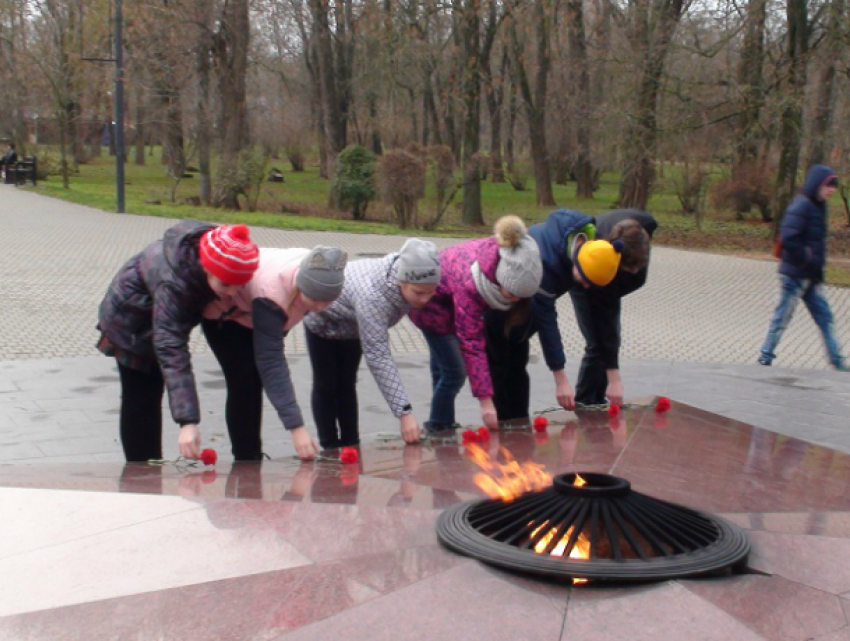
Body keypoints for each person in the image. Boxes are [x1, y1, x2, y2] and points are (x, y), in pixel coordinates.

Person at [97, 221, 260, 462]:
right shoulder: (176, 283)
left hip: (159, 314)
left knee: (152, 391)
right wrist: (188, 421)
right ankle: (143, 475)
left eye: (240, 285)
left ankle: (148, 468)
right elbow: (171, 347)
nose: (232, 293)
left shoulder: (217, 246)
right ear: (207, 268)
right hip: (131, 321)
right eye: (225, 284)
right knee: (142, 396)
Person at [484, 209, 650, 421]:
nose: (586, 287)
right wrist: (560, 379)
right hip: (497, 305)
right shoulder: (547, 264)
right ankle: (504, 430)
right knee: (500, 366)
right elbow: (547, 324)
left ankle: (518, 427)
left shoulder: (588, 245)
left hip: (523, 307)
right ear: (578, 263)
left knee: (517, 362)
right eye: (586, 280)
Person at [201, 245, 347, 461]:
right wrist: (296, 428)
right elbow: (271, 362)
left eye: (328, 301)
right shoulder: (273, 293)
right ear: (300, 285)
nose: (320, 307)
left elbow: (280, 329)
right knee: (246, 381)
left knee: (257, 377)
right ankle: (247, 461)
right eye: (314, 299)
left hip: (256, 311)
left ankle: (250, 454)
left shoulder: (318, 271)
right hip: (225, 315)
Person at [303, 238, 441, 450]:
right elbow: (378, 355)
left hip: (353, 326)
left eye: (430, 292)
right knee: (326, 385)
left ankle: (351, 444)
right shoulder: (374, 296)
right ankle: (329, 449)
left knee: (347, 384)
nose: (424, 299)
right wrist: (404, 413)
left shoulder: (413, 279)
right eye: (419, 293)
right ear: (401, 281)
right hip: (323, 319)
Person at [410, 215, 543, 433]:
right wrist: (486, 403)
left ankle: (444, 422)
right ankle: (438, 426)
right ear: (501, 279)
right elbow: (471, 342)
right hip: (430, 307)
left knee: (443, 368)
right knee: (454, 372)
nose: (515, 300)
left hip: (449, 301)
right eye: (512, 293)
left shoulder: (507, 256)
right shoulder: (471, 283)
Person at [758, 165, 847, 370]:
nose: (832, 190)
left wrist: (816, 269)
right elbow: (789, 237)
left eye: (834, 186)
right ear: (818, 184)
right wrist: (806, 258)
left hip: (811, 277)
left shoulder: (819, 206)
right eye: (829, 185)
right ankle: (765, 356)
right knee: (782, 318)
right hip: (795, 275)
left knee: (825, 318)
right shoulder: (802, 206)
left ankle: (838, 362)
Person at [569, 209, 656, 406]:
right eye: (629, 268)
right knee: (598, 342)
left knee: (611, 342)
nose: (635, 272)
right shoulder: (600, 277)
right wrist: (614, 377)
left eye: (638, 267)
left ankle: (599, 398)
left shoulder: (645, 224)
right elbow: (604, 322)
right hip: (584, 279)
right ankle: (585, 403)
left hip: (608, 282)